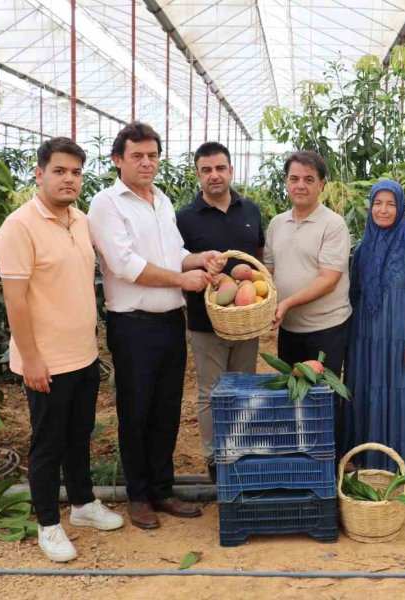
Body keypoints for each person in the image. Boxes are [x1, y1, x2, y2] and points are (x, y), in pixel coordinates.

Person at [87, 122, 223, 530]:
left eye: (152, 156)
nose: (147, 163)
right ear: (118, 160)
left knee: (166, 410)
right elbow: (125, 264)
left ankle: (163, 489)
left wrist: (198, 259)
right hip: (133, 326)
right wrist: (183, 280)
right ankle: (139, 495)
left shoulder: (161, 200)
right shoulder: (107, 204)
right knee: (136, 410)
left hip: (168, 322)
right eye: (137, 156)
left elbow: (172, 251)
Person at [0, 137, 124, 562]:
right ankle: (47, 522)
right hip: (46, 360)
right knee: (47, 443)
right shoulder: (19, 227)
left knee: (79, 434)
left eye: (75, 172)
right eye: (60, 171)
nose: (69, 179)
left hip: (83, 354)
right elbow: (15, 300)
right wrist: (31, 358)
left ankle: (84, 504)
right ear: (40, 174)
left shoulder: (80, 221)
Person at [176, 142, 264, 482]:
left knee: (244, 388)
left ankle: (240, 450)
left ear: (230, 170)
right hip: (204, 320)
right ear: (198, 174)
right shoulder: (185, 218)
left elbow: (257, 256)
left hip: (246, 321)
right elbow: (178, 262)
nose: (215, 175)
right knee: (212, 392)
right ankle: (216, 460)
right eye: (207, 170)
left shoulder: (251, 211)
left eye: (220, 168)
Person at [344, 179, 405, 472]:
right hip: (366, 339)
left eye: (390, 204)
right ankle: (369, 464)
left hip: (400, 338)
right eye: (377, 203)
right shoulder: (362, 250)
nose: (383, 210)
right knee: (368, 393)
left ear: (401, 207)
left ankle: (402, 466)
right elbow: (354, 297)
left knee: (399, 393)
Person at [263, 150, 351, 375]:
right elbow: (268, 272)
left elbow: (328, 280)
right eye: (294, 179)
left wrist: (287, 303)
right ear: (286, 182)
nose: (300, 185)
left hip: (325, 329)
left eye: (308, 179)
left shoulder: (333, 225)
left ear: (322, 184)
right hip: (289, 327)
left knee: (321, 399)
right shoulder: (276, 224)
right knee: (292, 396)